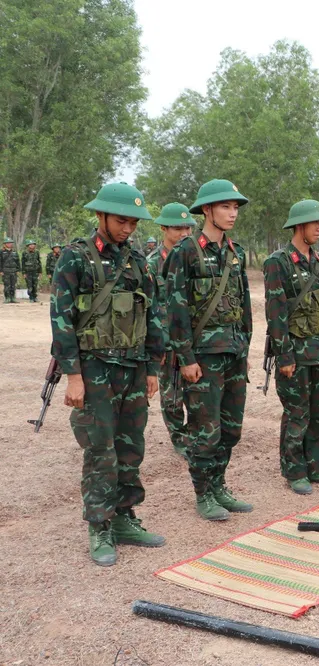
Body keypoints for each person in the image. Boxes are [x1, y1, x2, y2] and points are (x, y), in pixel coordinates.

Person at [50, 182, 165, 566]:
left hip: (133, 368)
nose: (128, 228)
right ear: (100, 216)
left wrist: (151, 367)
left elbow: (152, 315)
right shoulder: (75, 258)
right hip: (95, 368)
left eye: (133, 221)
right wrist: (73, 375)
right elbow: (62, 320)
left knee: (131, 447)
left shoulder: (138, 262)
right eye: (121, 220)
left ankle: (125, 517)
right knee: (101, 449)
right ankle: (99, 525)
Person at [164, 178, 254, 521]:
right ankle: (203, 494)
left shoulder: (237, 251)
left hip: (233, 352)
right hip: (202, 358)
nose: (232, 213)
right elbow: (176, 310)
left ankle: (219, 486)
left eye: (235, 207)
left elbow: (244, 305)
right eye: (225, 207)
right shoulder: (184, 253)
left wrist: (245, 347)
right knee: (205, 429)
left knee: (231, 428)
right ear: (207, 210)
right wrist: (185, 358)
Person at [264, 199, 319, 495]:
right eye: (315, 222)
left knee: (318, 413)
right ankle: (295, 471)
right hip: (294, 354)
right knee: (297, 413)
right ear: (299, 225)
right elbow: (276, 313)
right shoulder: (278, 262)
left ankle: (316, 467)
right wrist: (283, 355)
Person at [146, 203, 196, 456]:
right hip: (166, 342)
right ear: (164, 228)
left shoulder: (194, 258)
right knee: (172, 396)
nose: (184, 232)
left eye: (187, 227)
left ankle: (196, 436)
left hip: (193, 340)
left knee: (197, 392)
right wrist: (158, 345)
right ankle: (179, 439)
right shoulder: (152, 264)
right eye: (177, 228)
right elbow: (149, 308)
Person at [1, 237, 19, 303]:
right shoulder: (2, 252)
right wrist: (1, 271)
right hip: (5, 271)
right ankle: (7, 298)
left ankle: (13, 298)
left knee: (13, 285)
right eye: (8, 243)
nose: (10, 244)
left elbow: (18, 261)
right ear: (5, 244)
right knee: (7, 285)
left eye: (11, 243)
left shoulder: (14, 252)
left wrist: (18, 270)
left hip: (14, 271)